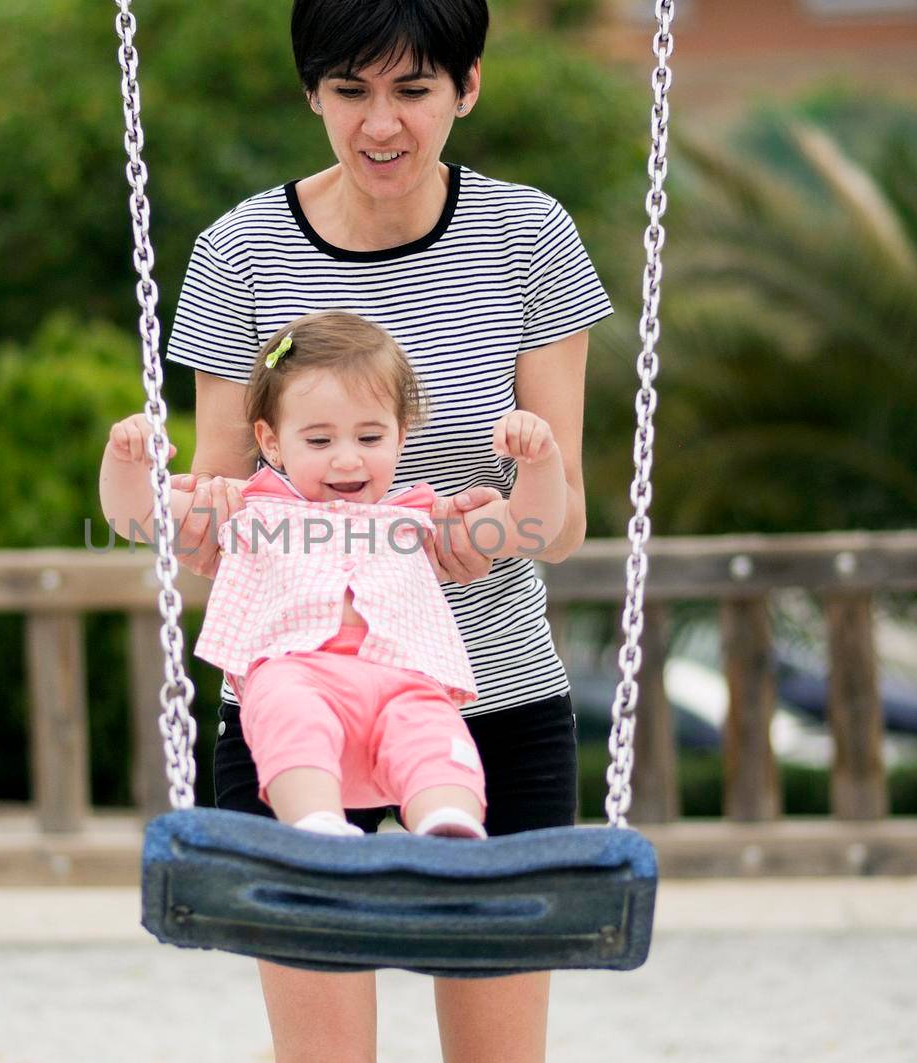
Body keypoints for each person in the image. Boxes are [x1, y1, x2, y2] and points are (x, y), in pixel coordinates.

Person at [161, 2, 612, 1059]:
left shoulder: (528, 237)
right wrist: (190, 521)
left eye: (412, 90)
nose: (381, 124)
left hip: (484, 694)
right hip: (292, 709)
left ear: (467, 87)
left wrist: (492, 532)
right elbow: (216, 501)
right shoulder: (240, 251)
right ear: (312, 92)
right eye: (351, 90)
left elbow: (566, 513)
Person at [100, 311, 568, 841]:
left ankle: (447, 825)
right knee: (288, 709)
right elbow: (135, 515)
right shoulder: (247, 513)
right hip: (299, 675)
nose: (347, 460)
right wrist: (127, 461)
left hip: (402, 681)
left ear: (401, 435)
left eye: (370, 437)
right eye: (319, 442)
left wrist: (540, 462)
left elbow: (531, 527)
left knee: (433, 728)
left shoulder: (417, 520)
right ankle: (317, 824)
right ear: (272, 442)